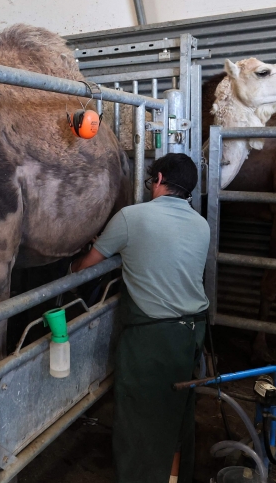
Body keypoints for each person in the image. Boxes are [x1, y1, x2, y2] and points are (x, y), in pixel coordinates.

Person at [72, 153, 210, 483]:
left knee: (139, 417)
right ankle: (175, 477)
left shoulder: (131, 217)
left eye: (151, 181)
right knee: (176, 412)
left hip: (153, 337)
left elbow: (87, 264)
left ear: (159, 179)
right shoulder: (201, 224)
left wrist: (70, 269)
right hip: (193, 332)